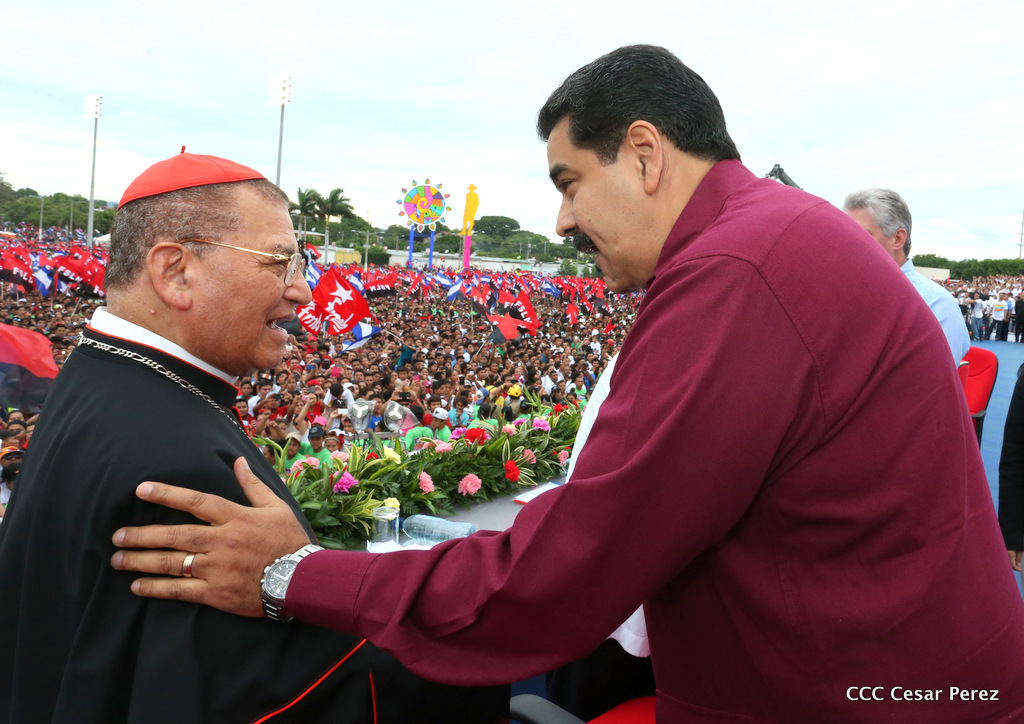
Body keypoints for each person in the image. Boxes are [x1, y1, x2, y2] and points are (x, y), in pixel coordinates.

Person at [112, 47, 1024, 722]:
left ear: (643, 153)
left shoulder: (739, 268)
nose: (561, 218)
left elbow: (560, 577)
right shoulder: (776, 238)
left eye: (568, 181)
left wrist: (294, 574)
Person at [0, 151, 507, 723]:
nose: (302, 293)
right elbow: (262, 703)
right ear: (175, 271)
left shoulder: (98, 373)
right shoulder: (184, 468)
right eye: (279, 262)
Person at [843, 188, 970, 361]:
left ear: (897, 239)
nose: (849, 245)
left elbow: (931, 382)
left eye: (862, 236)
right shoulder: (845, 295)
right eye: (846, 235)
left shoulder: (936, 304)